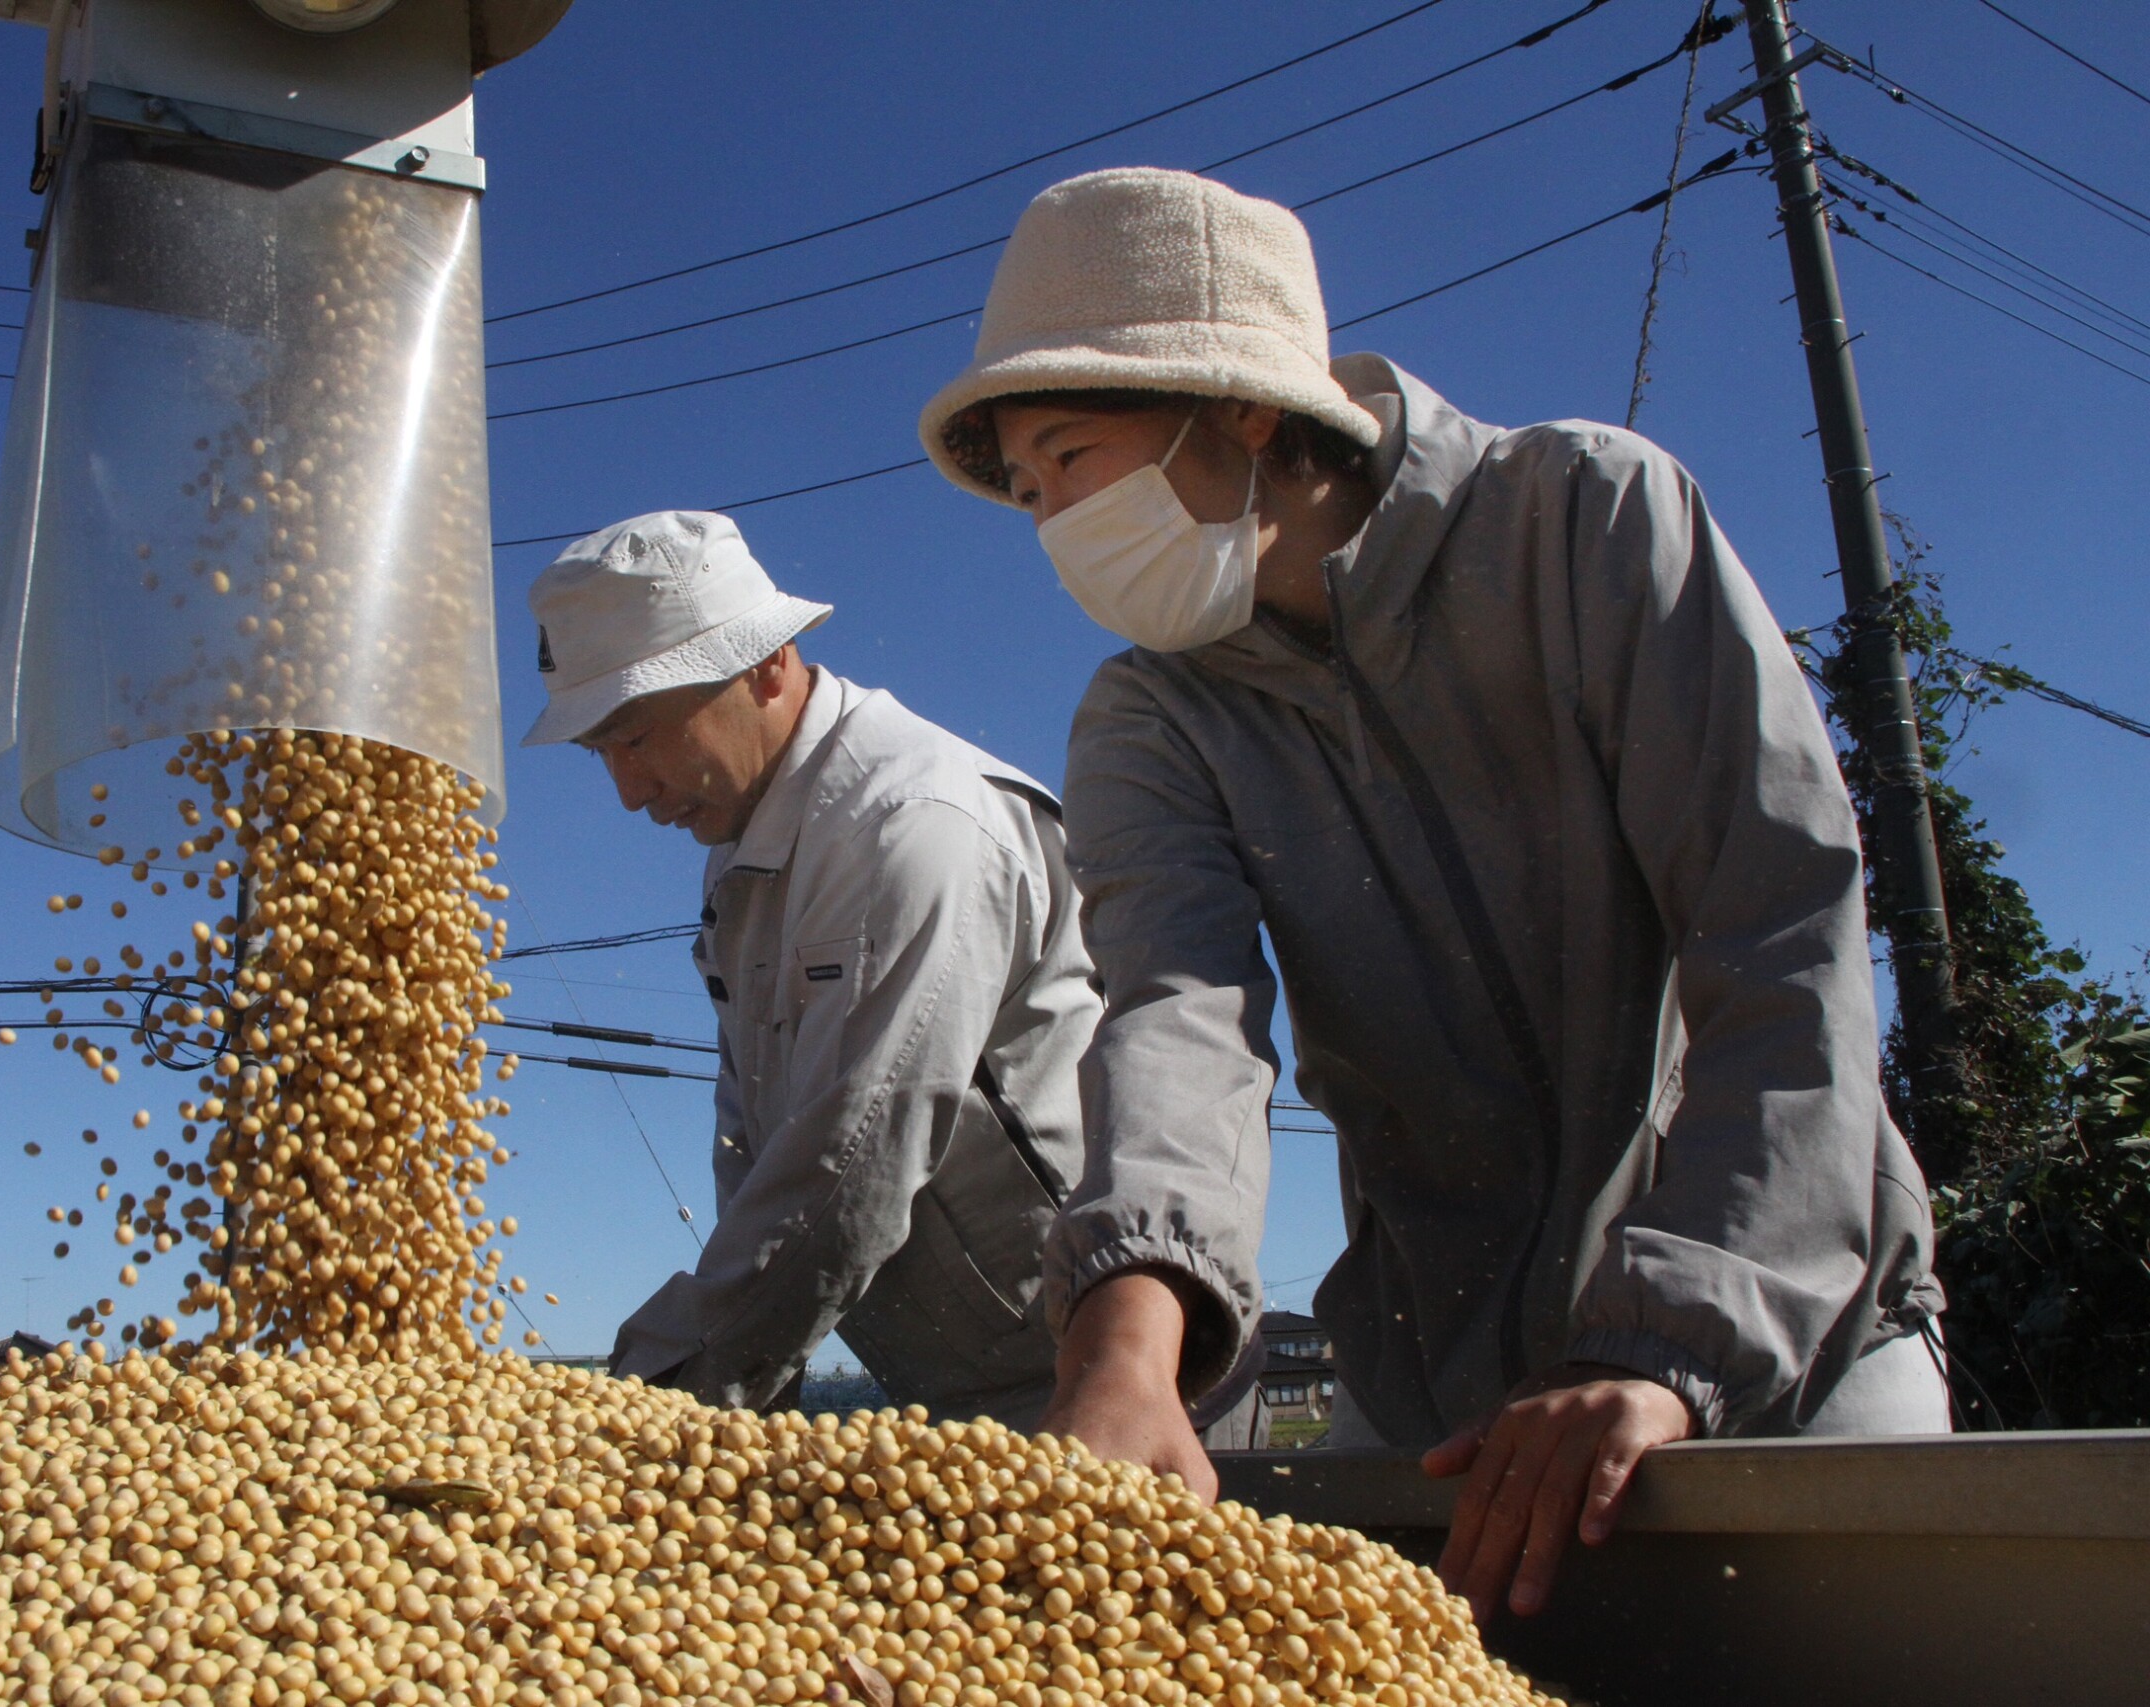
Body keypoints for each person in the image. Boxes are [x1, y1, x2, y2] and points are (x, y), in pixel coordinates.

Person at [914, 168, 1948, 1620]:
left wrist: (1668, 1342)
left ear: (1244, 408)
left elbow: (1778, 932)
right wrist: (1122, 1352)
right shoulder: (1154, 718)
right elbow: (1175, 1021)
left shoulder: (1583, 525)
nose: (1056, 523)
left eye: (1075, 457)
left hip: (1786, 1322)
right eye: (1029, 494)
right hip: (1449, 1380)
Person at [523, 510, 1101, 1428]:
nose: (628, 792)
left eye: (637, 737)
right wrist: (752, 1374)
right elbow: (753, 1133)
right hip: (959, 1396)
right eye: (602, 753)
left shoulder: (908, 828)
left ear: (765, 665)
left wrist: (669, 1386)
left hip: (1100, 1390)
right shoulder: (745, 843)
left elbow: (851, 1157)